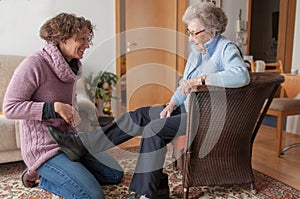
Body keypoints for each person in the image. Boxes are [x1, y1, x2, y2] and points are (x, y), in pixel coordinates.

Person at [47, 2, 250, 199]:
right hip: (188, 109)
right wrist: (172, 103)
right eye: (188, 32)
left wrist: (202, 79)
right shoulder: (198, 52)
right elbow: (185, 85)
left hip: (207, 116)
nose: (190, 38)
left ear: (212, 31)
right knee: (140, 115)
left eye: (194, 33)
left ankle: (144, 193)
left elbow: (241, 75)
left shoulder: (226, 49)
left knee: (155, 129)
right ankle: (84, 143)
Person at [3, 13, 123, 199]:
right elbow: (10, 107)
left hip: (69, 142)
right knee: (92, 195)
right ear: (63, 39)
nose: (87, 44)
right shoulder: (34, 64)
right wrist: (55, 107)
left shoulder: (71, 67)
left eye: (87, 39)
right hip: (43, 148)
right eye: (82, 39)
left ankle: (65, 172)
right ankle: (40, 174)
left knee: (115, 174)